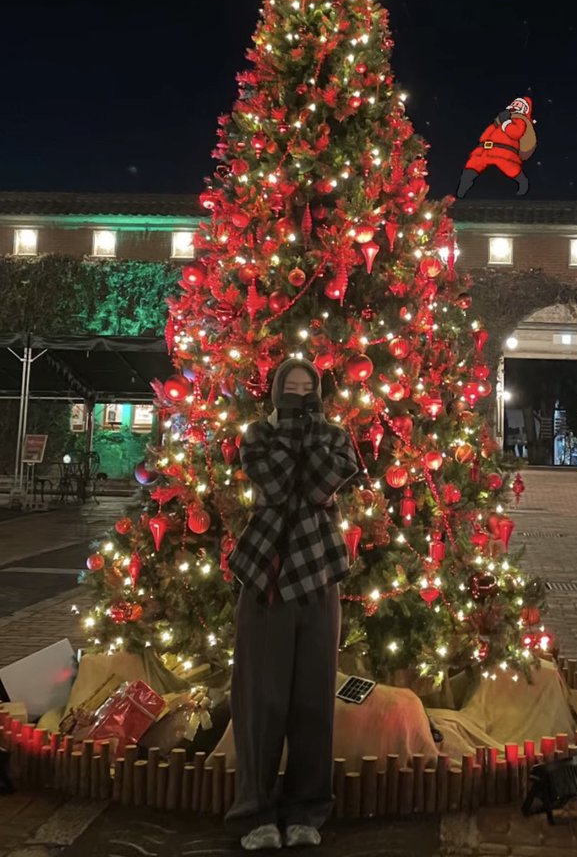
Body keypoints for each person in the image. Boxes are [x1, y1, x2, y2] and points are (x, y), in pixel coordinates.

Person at [225, 357, 359, 851]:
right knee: (261, 698)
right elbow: (276, 486)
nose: (299, 399)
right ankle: (254, 812)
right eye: (291, 391)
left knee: (313, 698)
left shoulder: (336, 436)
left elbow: (325, 485)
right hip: (265, 574)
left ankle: (307, 808)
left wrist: (306, 434)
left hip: (318, 573)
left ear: (320, 395)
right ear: (276, 393)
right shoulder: (257, 435)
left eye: (308, 391)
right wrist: (291, 432)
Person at [457, 95, 537, 198]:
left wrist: (506, 122)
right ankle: (463, 187)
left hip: (503, 152)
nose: (515, 105)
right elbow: (485, 135)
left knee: (511, 169)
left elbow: (515, 133)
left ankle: (523, 183)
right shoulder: (499, 120)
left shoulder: (520, 120)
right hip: (486, 151)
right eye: (514, 103)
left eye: (518, 104)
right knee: (471, 166)